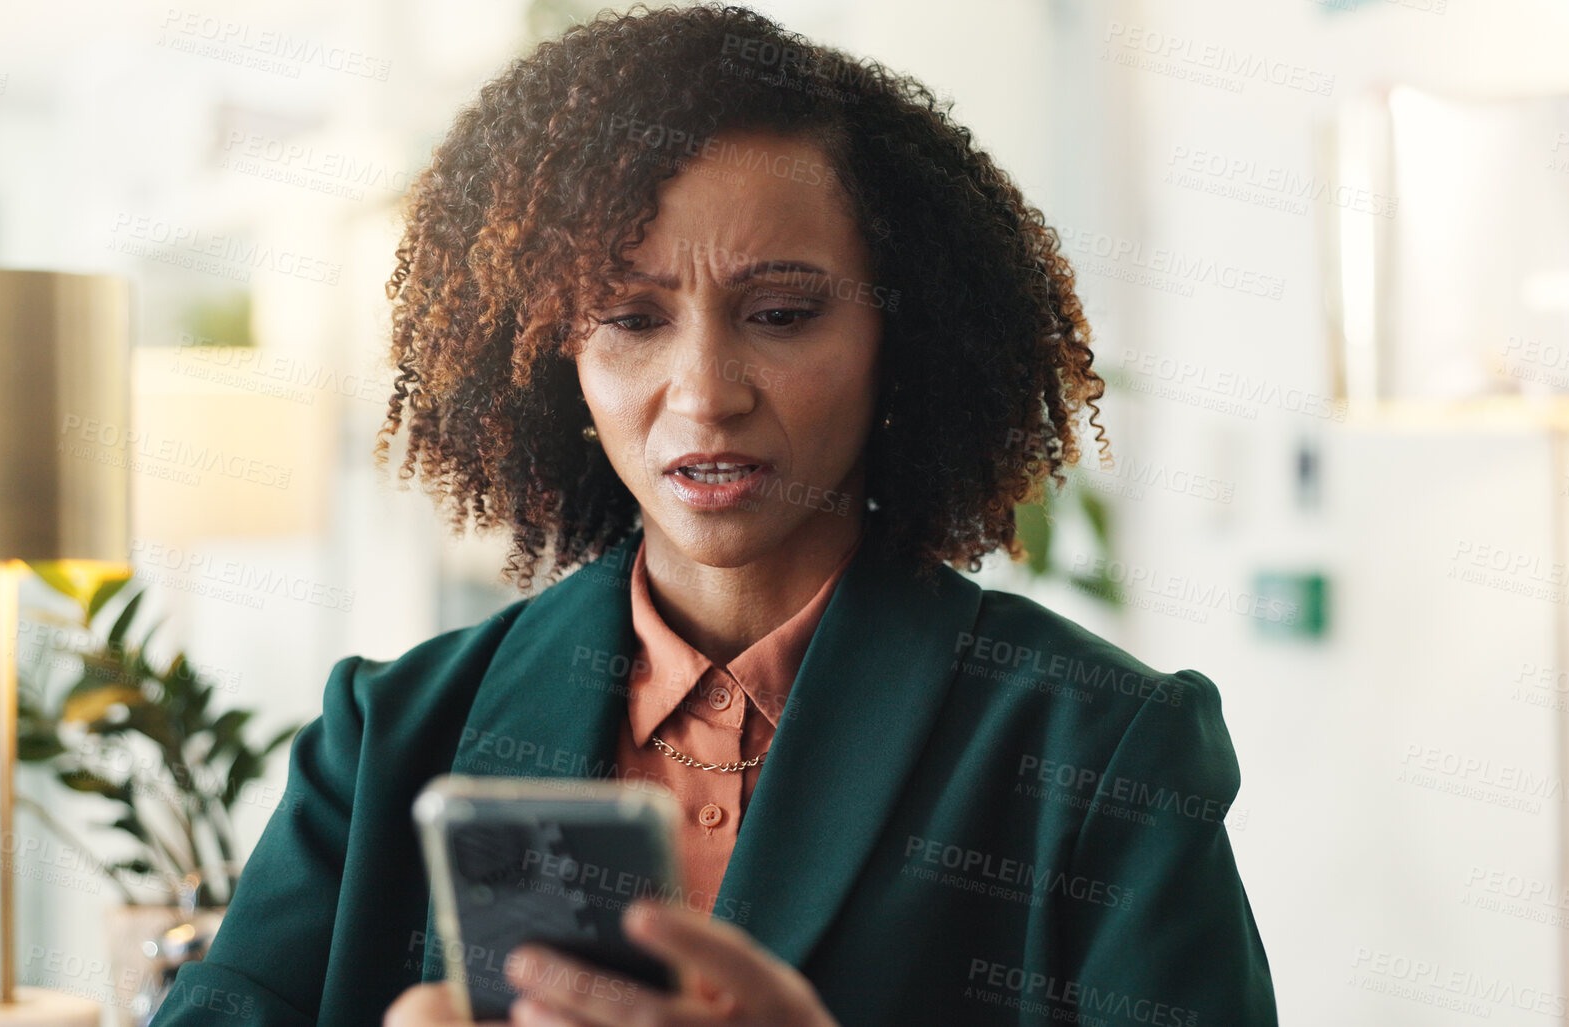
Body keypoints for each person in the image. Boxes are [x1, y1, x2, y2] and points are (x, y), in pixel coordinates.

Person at [150, 4, 1277, 1025]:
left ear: (905, 335)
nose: (704, 392)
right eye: (631, 319)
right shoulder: (389, 737)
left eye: (781, 312)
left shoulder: (1102, 751)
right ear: (554, 354)